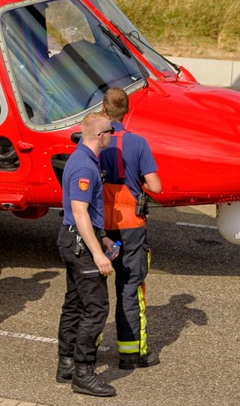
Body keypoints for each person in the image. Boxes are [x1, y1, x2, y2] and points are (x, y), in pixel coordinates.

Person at [100, 87, 163, 371]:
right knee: (130, 288)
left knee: (92, 291)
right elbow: (156, 186)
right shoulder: (138, 143)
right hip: (130, 225)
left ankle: (87, 352)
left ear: (104, 111)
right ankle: (131, 354)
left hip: (100, 223)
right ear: (127, 111)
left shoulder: (94, 140)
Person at [57, 113, 118, 398]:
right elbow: (80, 211)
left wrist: (102, 236)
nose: (112, 136)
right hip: (81, 244)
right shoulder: (85, 166)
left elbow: (85, 214)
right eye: (110, 132)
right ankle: (83, 372)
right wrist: (98, 254)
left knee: (75, 303)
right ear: (100, 136)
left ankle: (66, 363)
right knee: (96, 308)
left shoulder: (82, 159)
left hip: (74, 239)